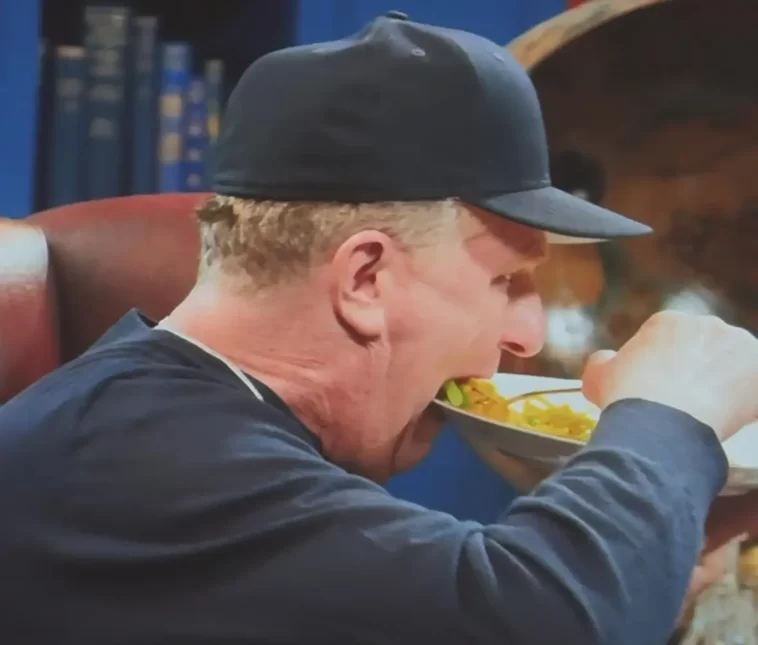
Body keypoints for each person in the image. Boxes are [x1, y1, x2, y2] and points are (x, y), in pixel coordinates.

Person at [0, 11, 755, 645]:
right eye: (506, 280)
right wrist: (668, 413)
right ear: (365, 278)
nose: (527, 335)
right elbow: (545, 622)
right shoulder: (144, 455)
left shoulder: (189, 427)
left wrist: (650, 575)